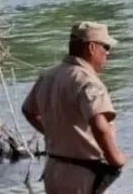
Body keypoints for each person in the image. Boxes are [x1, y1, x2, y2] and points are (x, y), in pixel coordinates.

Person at [21, 21, 126, 194]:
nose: (108, 53)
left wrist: (54, 133)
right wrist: (116, 158)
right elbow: (99, 125)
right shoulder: (88, 82)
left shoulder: (49, 75)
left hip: (54, 170)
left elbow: (29, 111)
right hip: (84, 174)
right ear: (91, 48)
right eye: (105, 47)